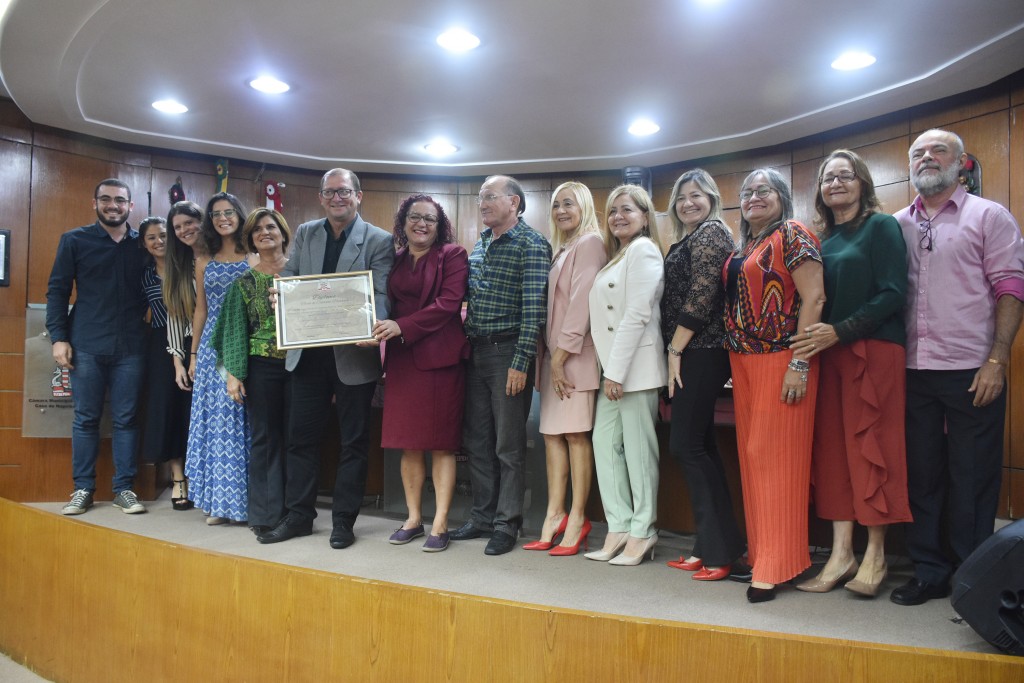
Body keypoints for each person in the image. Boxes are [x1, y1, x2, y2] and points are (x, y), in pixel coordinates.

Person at [889, 129, 1024, 606]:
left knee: (973, 476)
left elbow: (1011, 289)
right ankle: (928, 570)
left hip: (973, 368)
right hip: (913, 370)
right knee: (922, 474)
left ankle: (971, 578)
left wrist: (998, 360)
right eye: (918, 153)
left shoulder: (989, 216)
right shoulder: (896, 224)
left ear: (961, 161)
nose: (927, 157)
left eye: (938, 150)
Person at [787, 150, 911, 597]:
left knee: (872, 448)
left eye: (845, 175)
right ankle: (842, 554)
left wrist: (840, 331)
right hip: (829, 356)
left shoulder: (882, 227)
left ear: (862, 183)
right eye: (827, 178)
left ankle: (875, 553)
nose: (836, 183)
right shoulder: (820, 240)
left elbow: (893, 293)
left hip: (872, 351)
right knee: (834, 454)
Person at [257, 168, 393, 549]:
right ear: (321, 197)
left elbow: (381, 293)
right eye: (330, 192)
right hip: (307, 355)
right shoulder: (305, 232)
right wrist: (280, 297)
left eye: (344, 192)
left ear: (358, 196)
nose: (337, 198)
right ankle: (299, 516)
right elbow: (293, 277)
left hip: (354, 355)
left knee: (353, 442)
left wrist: (372, 322)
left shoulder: (379, 240)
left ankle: (344, 522)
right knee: (300, 440)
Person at [723, 168, 825, 602]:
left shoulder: (794, 233)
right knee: (752, 457)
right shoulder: (746, 243)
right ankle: (763, 550)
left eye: (764, 190)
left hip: (784, 358)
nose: (753, 197)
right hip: (744, 362)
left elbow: (815, 298)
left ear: (782, 197)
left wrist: (799, 364)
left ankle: (778, 563)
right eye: (747, 192)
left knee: (776, 459)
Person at [448, 175, 551, 556]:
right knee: (477, 442)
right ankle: (481, 516)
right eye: (480, 198)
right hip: (475, 353)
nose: (483, 203)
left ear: (514, 202)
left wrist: (521, 361)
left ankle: (508, 523)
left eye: (490, 197)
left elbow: (534, 309)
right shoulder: (479, 245)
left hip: (509, 353)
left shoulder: (531, 243)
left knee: (508, 445)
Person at [370, 194, 469, 553]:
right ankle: (413, 518)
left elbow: (448, 303)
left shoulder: (453, 255)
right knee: (408, 445)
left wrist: (401, 326)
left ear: (439, 225)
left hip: (441, 360)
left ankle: (440, 523)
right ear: (404, 221)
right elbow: (379, 300)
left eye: (429, 218)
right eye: (415, 217)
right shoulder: (393, 260)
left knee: (441, 444)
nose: (421, 224)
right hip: (402, 361)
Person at [660, 169, 744, 581]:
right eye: (681, 197)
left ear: (712, 198)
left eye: (697, 195)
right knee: (700, 446)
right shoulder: (692, 236)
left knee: (687, 448)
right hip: (691, 350)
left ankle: (718, 552)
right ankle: (711, 545)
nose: (688, 202)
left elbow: (702, 295)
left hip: (701, 350)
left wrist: (675, 348)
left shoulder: (711, 233)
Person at [47, 178, 149, 515]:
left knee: (126, 420)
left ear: (130, 206)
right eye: (105, 199)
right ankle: (83, 489)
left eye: (120, 200)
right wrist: (59, 337)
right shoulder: (74, 240)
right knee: (86, 420)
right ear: (95, 204)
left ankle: (124, 489)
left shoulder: (144, 245)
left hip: (132, 346)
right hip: (86, 344)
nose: (113, 205)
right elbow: (58, 291)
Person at [584, 184, 666, 566]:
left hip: (636, 370)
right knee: (605, 445)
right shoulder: (617, 256)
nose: (618, 215)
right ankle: (618, 525)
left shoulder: (644, 250)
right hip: (613, 371)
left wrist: (614, 372)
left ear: (645, 216)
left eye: (627, 209)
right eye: (613, 210)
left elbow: (636, 315)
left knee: (638, 453)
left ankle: (643, 529)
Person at [525, 181, 606, 556]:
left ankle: (577, 516)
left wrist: (559, 357)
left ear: (584, 206)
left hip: (573, 358)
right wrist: (550, 359)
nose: (560, 210)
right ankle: (554, 512)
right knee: (551, 436)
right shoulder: (563, 247)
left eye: (568, 203)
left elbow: (582, 303)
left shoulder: (590, 243)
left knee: (574, 436)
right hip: (554, 357)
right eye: (556, 205)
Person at [211, 209, 292, 537]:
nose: (265, 232)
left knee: (298, 441)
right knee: (266, 440)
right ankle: (265, 515)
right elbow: (232, 331)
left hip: (301, 367)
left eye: (271, 226)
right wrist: (235, 373)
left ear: (283, 232)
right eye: (257, 229)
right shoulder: (243, 283)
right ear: (251, 239)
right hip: (263, 367)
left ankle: (296, 512)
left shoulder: (302, 274)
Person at [185, 192, 256, 525]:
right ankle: (218, 503)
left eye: (229, 212)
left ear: (240, 215)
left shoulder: (252, 255)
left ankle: (245, 503)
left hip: (243, 341)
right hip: (213, 346)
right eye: (216, 214)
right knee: (216, 423)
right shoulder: (204, 257)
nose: (223, 218)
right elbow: (201, 309)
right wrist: (194, 354)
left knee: (241, 419)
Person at [138, 216, 193, 510]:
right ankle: (177, 478)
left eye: (163, 235)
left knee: (192, 410)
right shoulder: (145, 275)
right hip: (161, 348)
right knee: (168, 409)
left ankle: (200, 478)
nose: (159, 241)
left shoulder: (189, 267)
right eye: (151, 238)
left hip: (193, 341)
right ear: (144, 244)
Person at [163, 200, 206, 504]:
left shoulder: (218, 256)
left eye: (189, 223)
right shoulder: (177, 266)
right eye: (177, 227)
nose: (184, 230)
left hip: (217, 346)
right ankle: (186, 484)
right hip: (189, 351)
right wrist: (178, 361)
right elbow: (175, 316)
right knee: (186, 420)